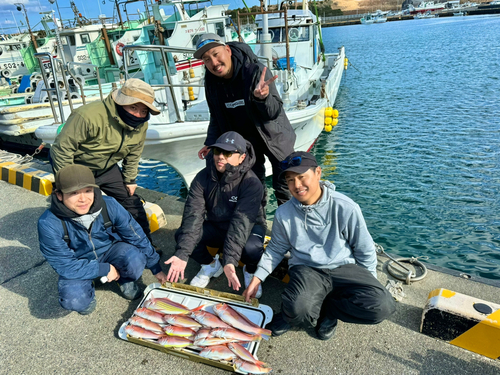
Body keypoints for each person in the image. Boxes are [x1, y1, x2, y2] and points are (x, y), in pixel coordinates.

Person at [243, 151, 396, 340]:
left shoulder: (346, 207)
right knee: (298, 309)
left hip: (344, 267)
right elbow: (275, 249)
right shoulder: (284, 213)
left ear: (318, 173)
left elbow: (364, 249)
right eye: (290, 180)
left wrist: (369, 284)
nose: (297, 185)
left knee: (382, 306)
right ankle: (290, 316)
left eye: (301, 177)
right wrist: (257, 279)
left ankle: (329, 311)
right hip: (308, 269)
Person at [38, 164, 168, 315]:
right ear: (59, 195)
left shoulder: (110, 205)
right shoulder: (48, 223)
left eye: (88, 191)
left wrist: (155, 268)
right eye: (74, 193)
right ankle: (91, 285)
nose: (83, 199)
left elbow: (135, 235)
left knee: (135, 259)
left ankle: (124, 279)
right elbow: (65, 265)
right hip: (78, 261)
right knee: (75, 301)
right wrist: (103, 269)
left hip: (110, 251)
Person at [50, 78, 160, 251]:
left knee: (131, 202)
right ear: (121, 102)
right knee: (73, 207)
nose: (138, 114)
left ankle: (146, 246)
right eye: (133, 107)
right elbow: (61, 149)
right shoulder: (88, 115)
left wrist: (130, 179)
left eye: (144, 110)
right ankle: (78, 252)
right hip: (77, 166)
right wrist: (69, 183)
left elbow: (134, 152)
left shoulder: (140, 124)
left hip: (107, 168)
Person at [194, 33, 296, 206]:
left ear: (227, 50)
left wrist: (262, 98)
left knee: (284, 188)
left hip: (273, 138)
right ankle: (257, 228)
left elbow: (273, 112)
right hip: (246, 143)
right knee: (251, 189)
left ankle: (289, 229)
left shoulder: (255, 71)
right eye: (206, 59)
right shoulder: (211, 81)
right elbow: (216, 115)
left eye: (216, 54)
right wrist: (212, 142)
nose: (214, 62)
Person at [165, 131, 266, 297]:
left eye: (227, 153)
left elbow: (241, 223)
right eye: (217, 151)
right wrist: (182, 254)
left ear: (241, 157)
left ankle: (251, 270)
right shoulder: (201, 178)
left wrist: (230, 260)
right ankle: (211, 265)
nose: (220, 156)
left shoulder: (252, 183)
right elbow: (193, 215)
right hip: (217, 224)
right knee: (183, 235)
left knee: (252, 249)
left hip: (249, 227)